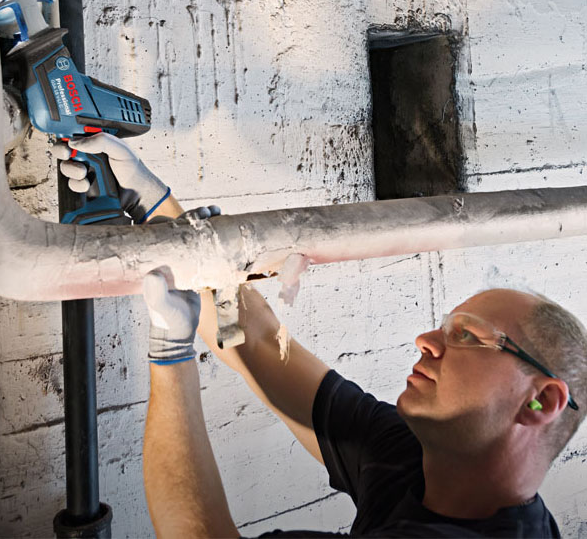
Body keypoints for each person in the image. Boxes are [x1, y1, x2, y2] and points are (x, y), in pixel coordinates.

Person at [54, 133, 587, 537]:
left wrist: (171, 355)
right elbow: (260, 345)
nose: (426, 339)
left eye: (467, 336)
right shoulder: (414, 458)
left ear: (540, 403)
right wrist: (160, 212)